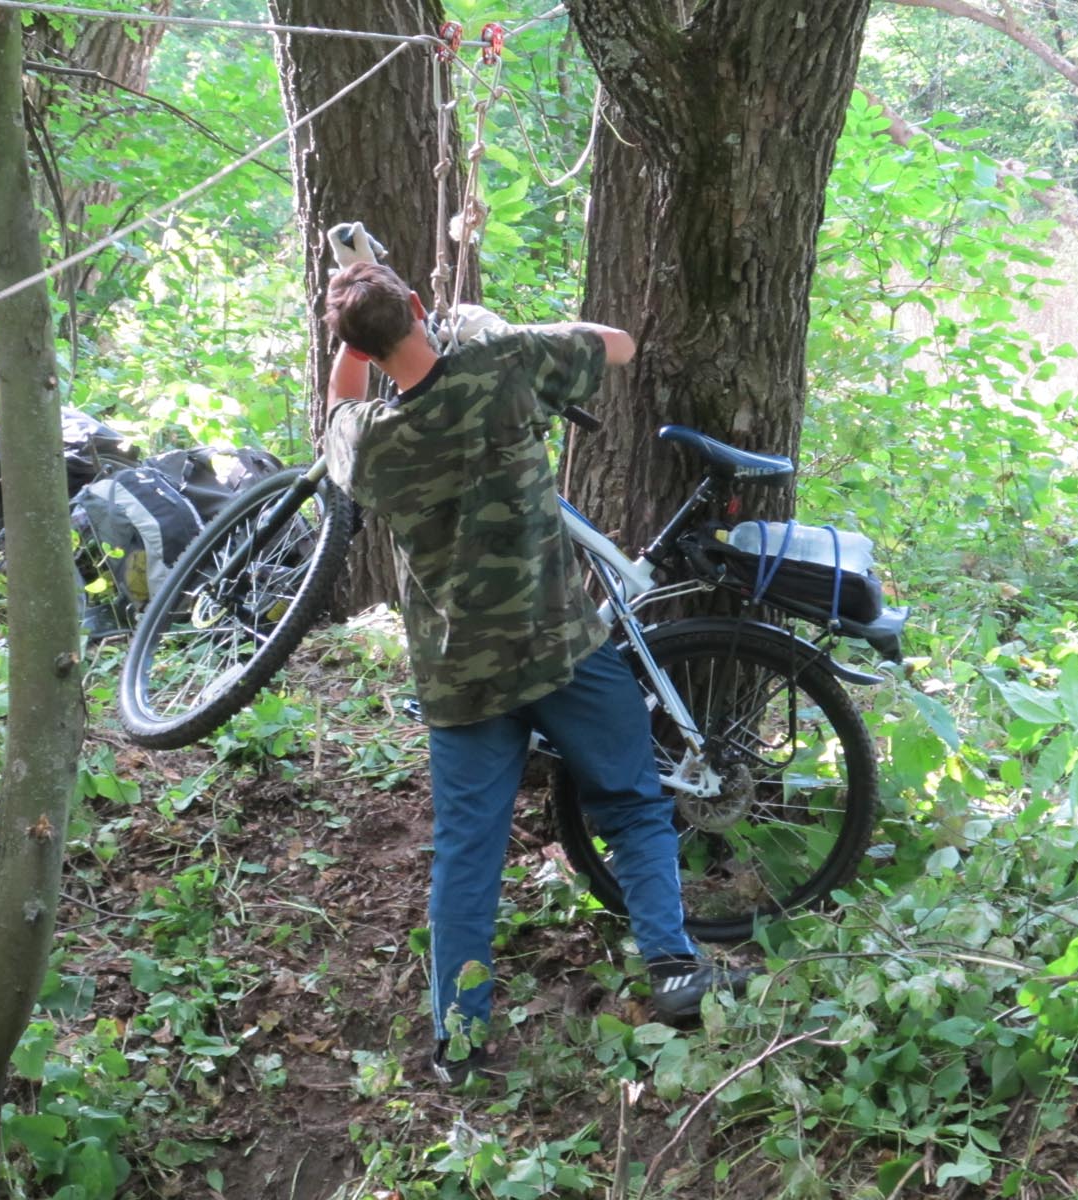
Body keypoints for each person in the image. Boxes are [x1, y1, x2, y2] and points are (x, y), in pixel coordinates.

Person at [321, 259, 754, 1087]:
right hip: (562, 650)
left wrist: (353, 347)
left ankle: (459, 1043)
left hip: (462, 680)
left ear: (362, 350)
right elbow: (618, 344)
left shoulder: (371, 441)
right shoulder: (504, 362)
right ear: (417, 304)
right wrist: (486, 325)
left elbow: (338, 407)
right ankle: (671, 967)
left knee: (467, 855)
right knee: (632, 801)